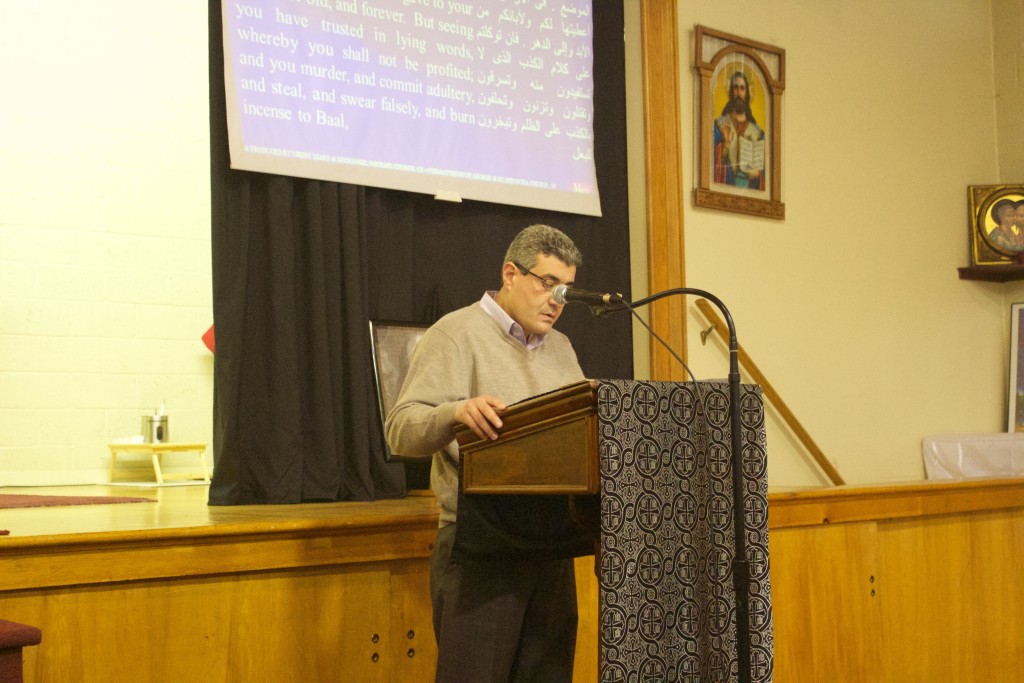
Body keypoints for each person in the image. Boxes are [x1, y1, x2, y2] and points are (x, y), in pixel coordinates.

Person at [385, 224, 586, 683]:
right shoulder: (455, 333)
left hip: (552, 543)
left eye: (566, 290)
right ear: (510, 274)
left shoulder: (561, 348)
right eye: (547, 283)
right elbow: (400, 430)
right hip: (482, 545)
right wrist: (456, 412)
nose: (557, 300)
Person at [713, 70, 766, 189]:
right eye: (735, 88)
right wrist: (724, 146)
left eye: (742, 88)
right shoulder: (720, 125)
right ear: (731, 92)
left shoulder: (757, 133)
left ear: (747, 93)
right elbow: (710, 163)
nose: (739, 93)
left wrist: (758, 174)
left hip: (749, 191)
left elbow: (765, 171)